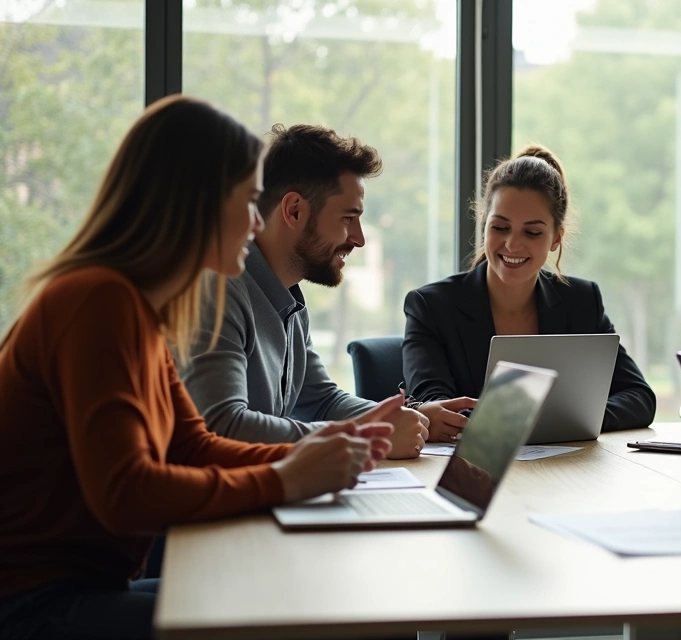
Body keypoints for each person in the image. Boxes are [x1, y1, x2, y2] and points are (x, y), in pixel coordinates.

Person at [0, 95, 399, 640]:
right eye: (248, 200)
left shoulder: (139, 309)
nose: (256, 222)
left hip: (85, 588)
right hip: (32, 606)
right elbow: (125, 494)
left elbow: (194, 446)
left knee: (314, 606)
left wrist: (315, 455)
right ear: (197, 204)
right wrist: (285, 477)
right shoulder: (98, 301)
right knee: (305, 621)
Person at [181, 123, 434, 455]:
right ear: (294, 210)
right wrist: (365, 435)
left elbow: (321, 401)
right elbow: (222, 426)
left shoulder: (288, 299)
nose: (358, 239)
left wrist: (413, 417)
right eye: (347, 218)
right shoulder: (218, 290)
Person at [402, 144, 656, 439]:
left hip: (564, 465)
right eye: (500, 227)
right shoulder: (431, 306)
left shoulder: (582, 302)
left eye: (532, 232)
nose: (512, 244)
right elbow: (435, 404)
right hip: (469, 462)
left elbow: (639, 398)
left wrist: (561, 421)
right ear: (484, 223)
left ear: (556, 238)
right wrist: (549, 419)